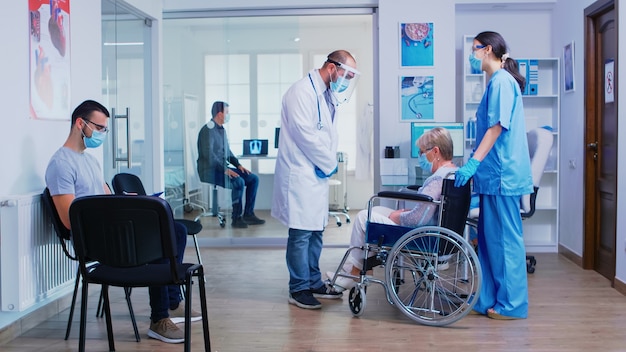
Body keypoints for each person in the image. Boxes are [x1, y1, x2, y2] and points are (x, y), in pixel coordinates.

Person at [45, 100, 201, 344]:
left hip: (109, 230)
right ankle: (160, 317)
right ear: (80, 123)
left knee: (176, 230)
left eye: (104, 129)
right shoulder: (60, 164)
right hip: (95, 241)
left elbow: (106, 197)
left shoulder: (89, 160)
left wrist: (127, 202)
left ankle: (170, 303)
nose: (102, 134)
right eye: (99, 128)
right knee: (164, 233)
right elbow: (69, 220)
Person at [272, 50, 361, 309]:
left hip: (315, 174)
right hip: (300, 173)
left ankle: (313, 281)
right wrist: (330, 163)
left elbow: (324, 135)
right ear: (332, 68)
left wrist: (327, 163)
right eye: (346, 75)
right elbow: (306, 136)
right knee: (300, 234)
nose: (346, 81)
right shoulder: (300, 92)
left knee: (316, 232)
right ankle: (298, 288)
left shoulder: (326, 93)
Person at [454, 31, 534, 320]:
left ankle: (512, 305)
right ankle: (488, 298)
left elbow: (496, 127)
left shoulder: (501, 81)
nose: (473, 56)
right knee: (487, 241)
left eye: (475, 50)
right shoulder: (495, 82)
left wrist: (473, 163)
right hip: (493, 177)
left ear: (487, 49)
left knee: (505, 242)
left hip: (503, 176)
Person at [327, 127, 458, 291]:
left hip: (420, 234)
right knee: (379, 211)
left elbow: (417, 219)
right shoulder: (452, 172)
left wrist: (399, 216)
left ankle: (355, 272)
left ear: (436, 151)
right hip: (432, 230)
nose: (420, 156)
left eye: (422, 152)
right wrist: (402, 214)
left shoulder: (437, 179)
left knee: (363, 216)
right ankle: (355, 268)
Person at [197, 101, 265, 229]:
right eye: (227, 112)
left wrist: (238, 165)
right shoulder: (208, 130)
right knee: (238, 181)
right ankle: (236, 218)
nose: (229, 115)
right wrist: (225, 169)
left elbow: (227, 151)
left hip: (221, 168)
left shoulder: (221, 130)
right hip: (209, 170)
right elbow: (209, 155)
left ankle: (248, 214)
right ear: (219, 114)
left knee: (253, 179)